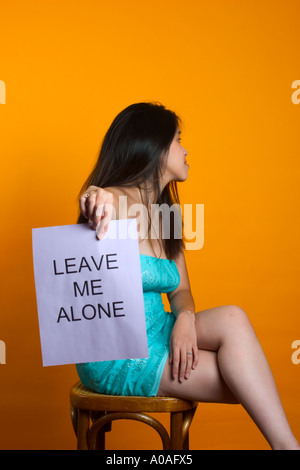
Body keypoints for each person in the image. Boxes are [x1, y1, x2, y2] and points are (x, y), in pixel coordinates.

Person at [76, 102, 299, 450]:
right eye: (178, 139)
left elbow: (182, 291)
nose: (186, 149)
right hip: (118, 350)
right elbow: (93, 199)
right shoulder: (113, 203)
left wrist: (185, 319)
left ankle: (287, 447)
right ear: (154, 146)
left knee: (233, 318)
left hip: (158, 328)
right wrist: (94, 197)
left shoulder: (167, 215)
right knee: (244, 379)